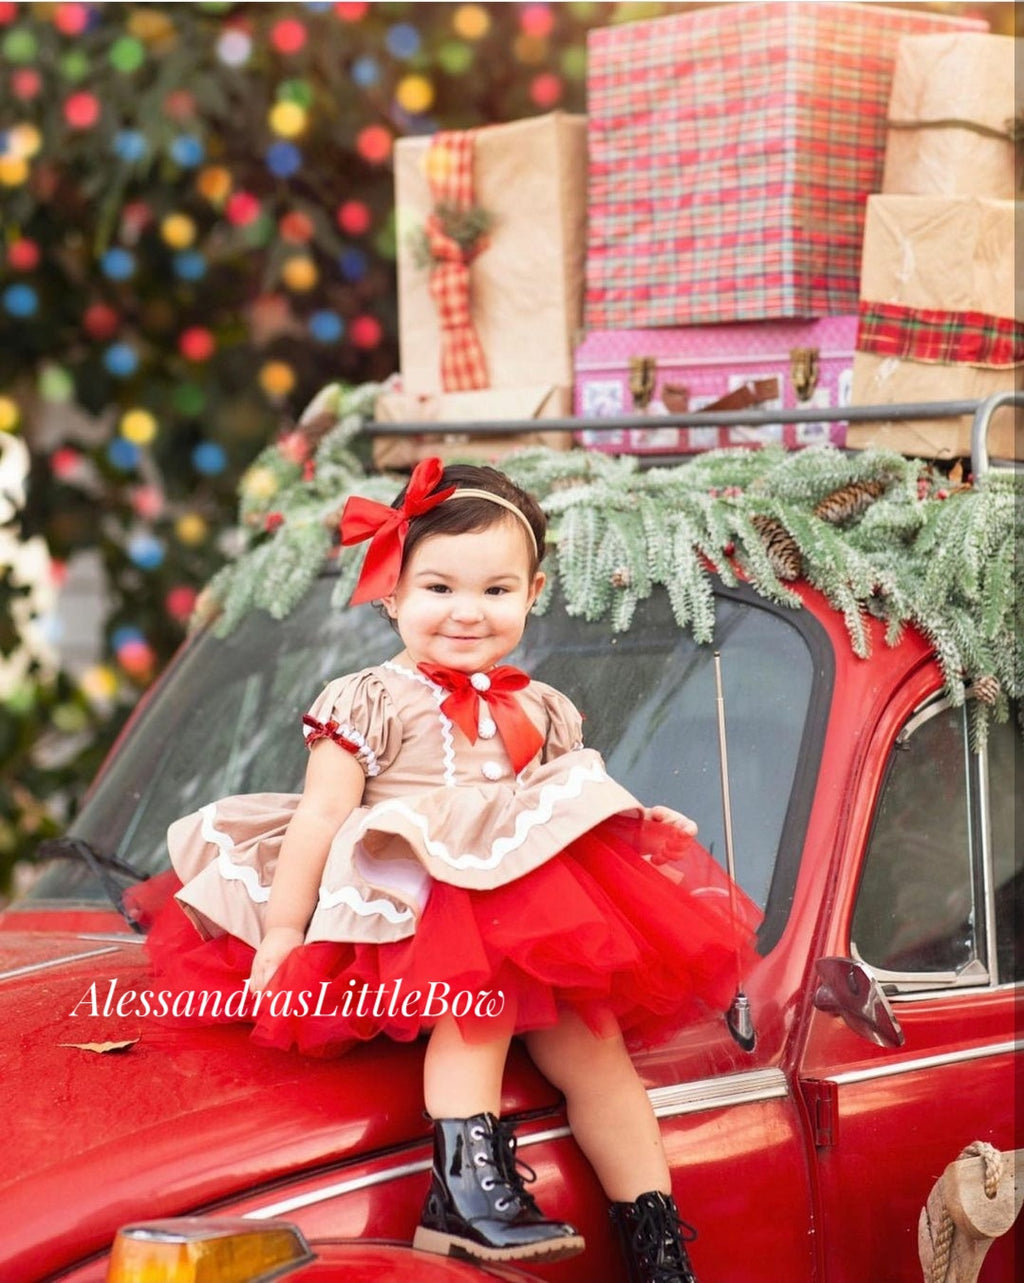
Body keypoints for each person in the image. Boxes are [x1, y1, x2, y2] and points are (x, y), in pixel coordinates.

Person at [141, 457, 761, 1283]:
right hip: (409, 904)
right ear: (391, 590)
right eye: (439, 589)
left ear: (532, 592)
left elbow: (557, 802)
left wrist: (637, 822)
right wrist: (285, 929)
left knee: (596, 1051)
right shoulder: (369, 697)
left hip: (524, 906)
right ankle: (463, 1192)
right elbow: (322, 816)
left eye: (495, 591)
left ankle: (653, 1235)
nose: (467, 613)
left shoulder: (540, 705)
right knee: (482, 1003)